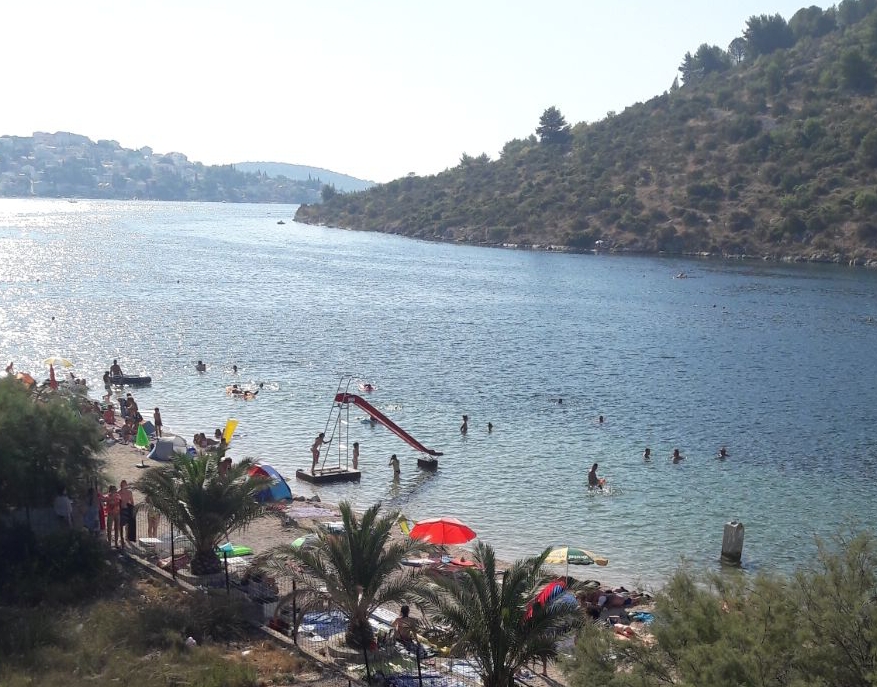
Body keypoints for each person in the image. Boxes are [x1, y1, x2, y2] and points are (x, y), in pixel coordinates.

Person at [118, 479, 135, 546]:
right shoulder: (118, 492)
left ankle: (127, 537)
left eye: (125, 484)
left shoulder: (129, 492)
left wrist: (133, 509)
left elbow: (132, 501)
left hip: (128, 509)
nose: (123, 486)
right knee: (120, 525)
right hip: (121, 509)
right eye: (122, 484)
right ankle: (121, 537)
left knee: (128, 524)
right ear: (121, 485)